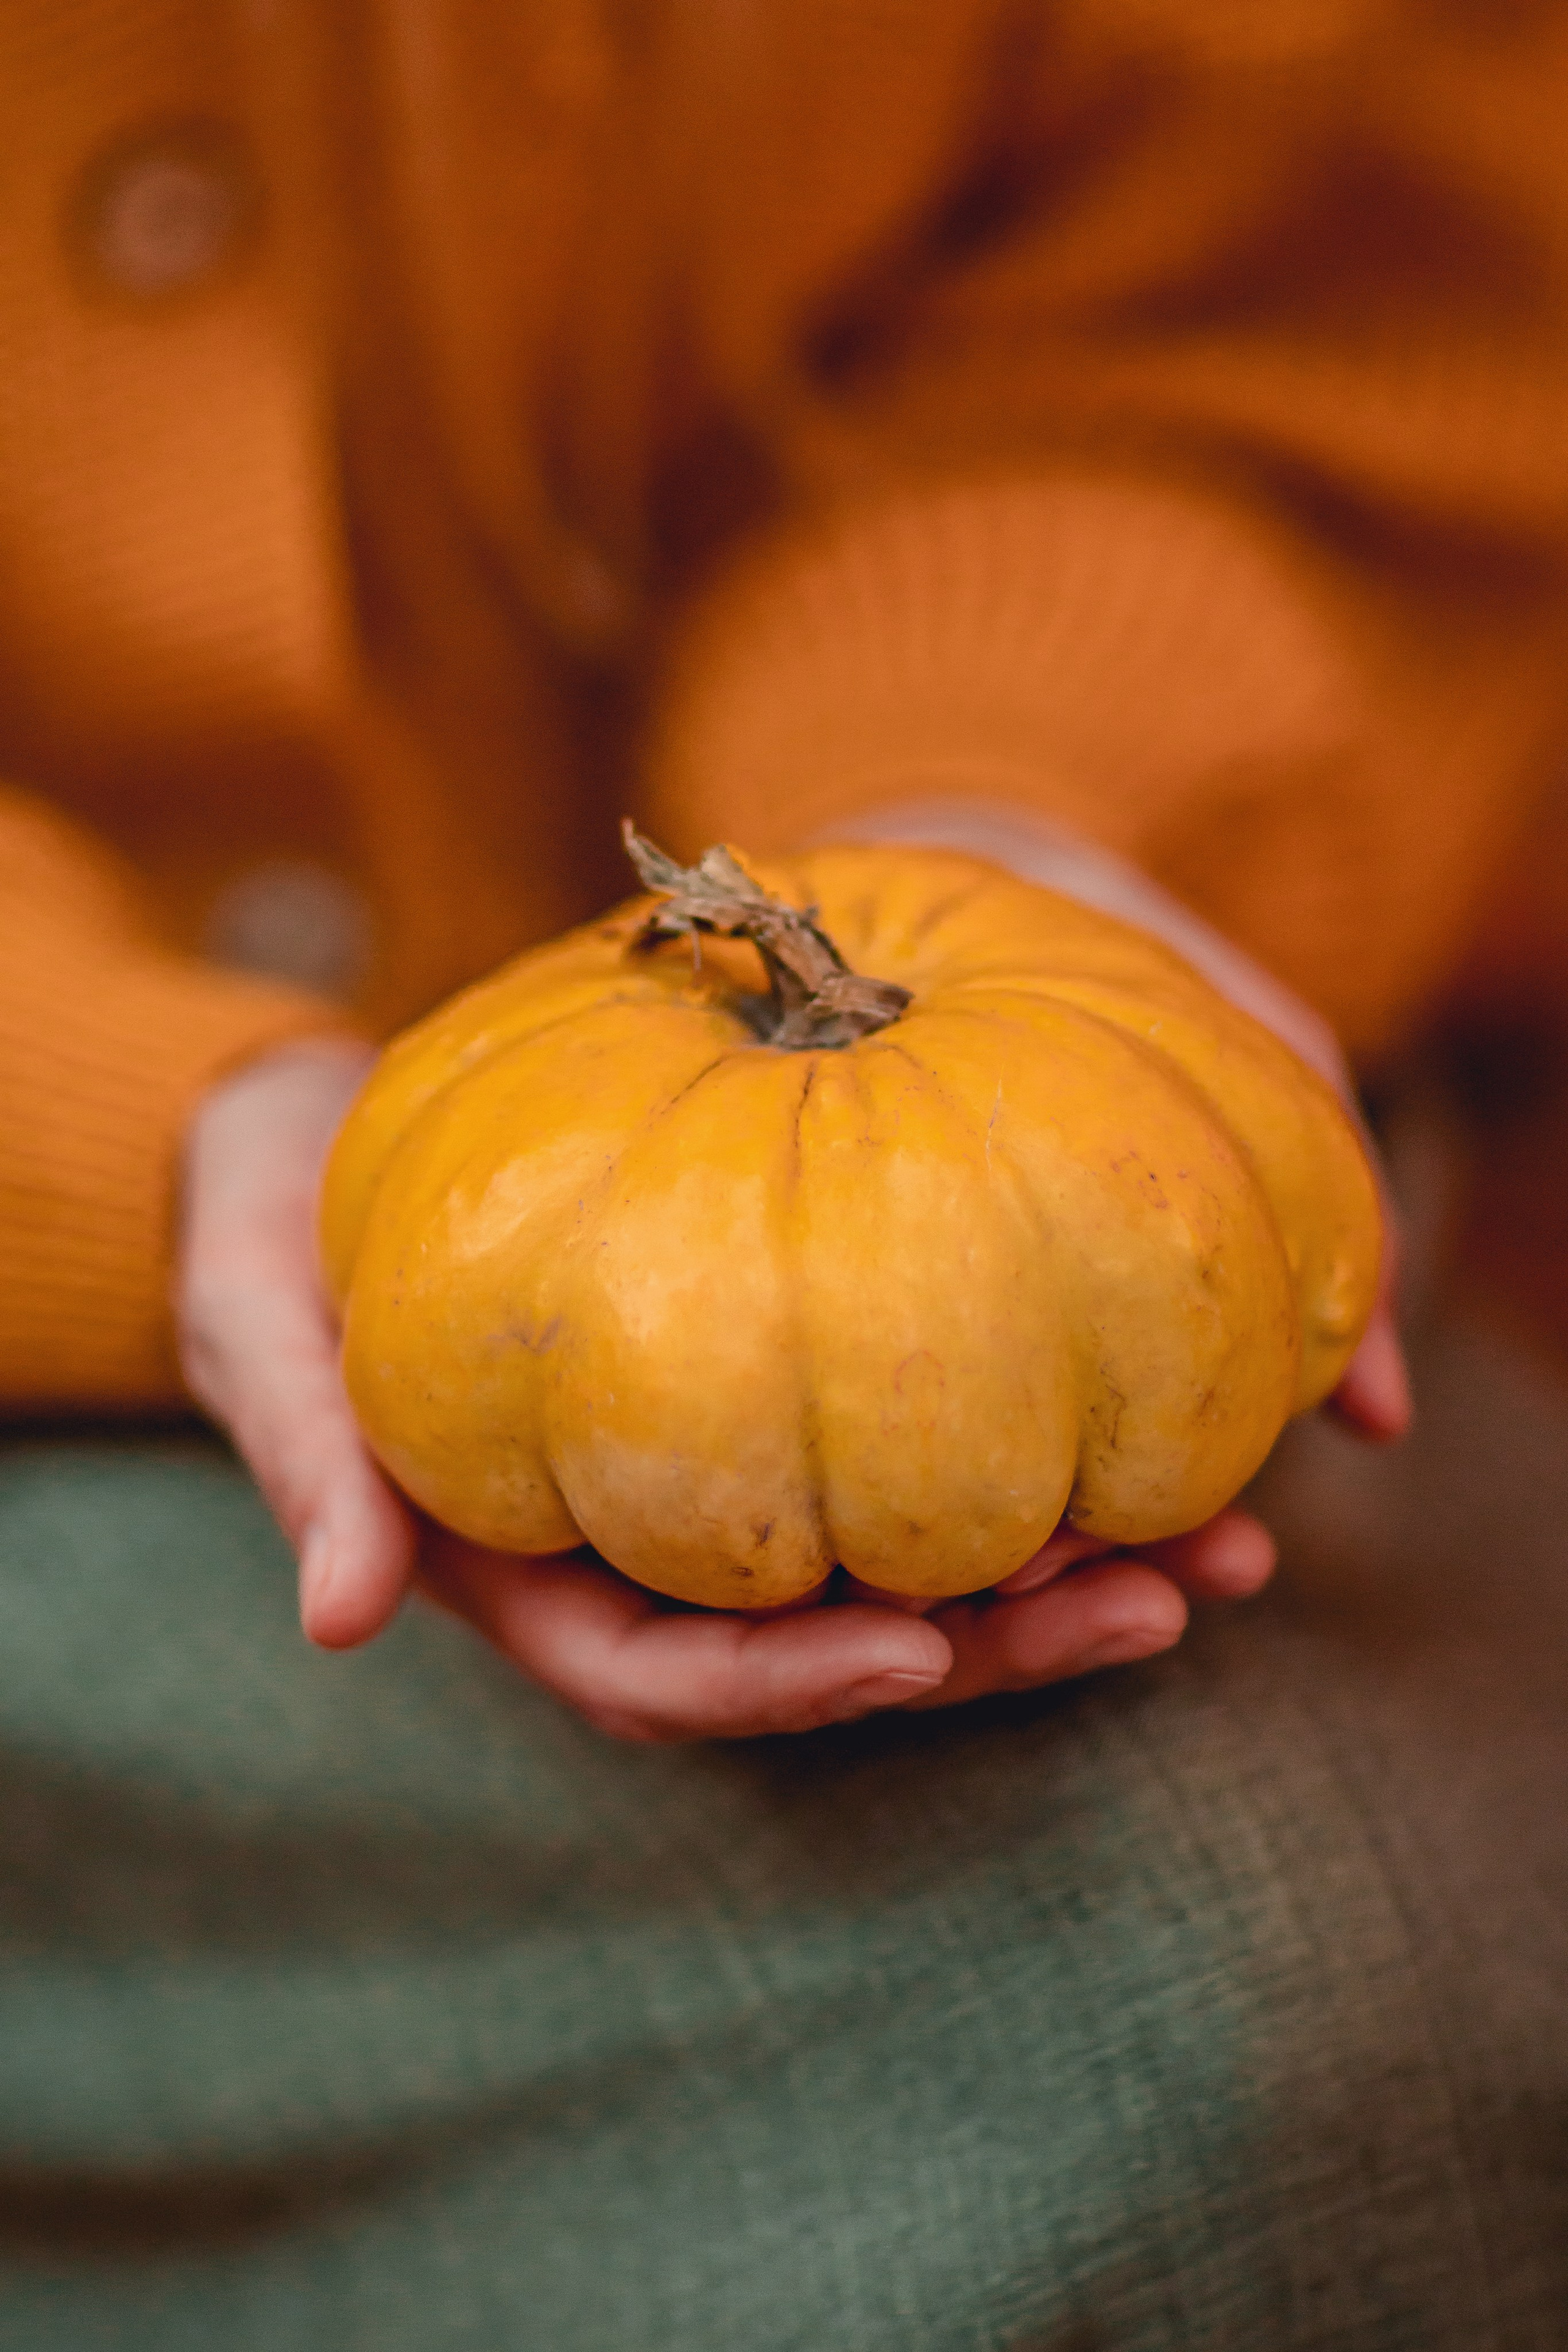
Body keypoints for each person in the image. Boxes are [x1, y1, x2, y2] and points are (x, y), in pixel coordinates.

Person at [0, 4, 1564, 2342]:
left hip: (1106, 986)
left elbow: (1311, 297)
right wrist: (126, 1107)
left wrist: (1002, 789)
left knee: (1355, 1956)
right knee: (1152, 2019)